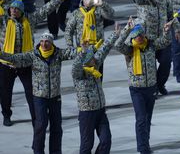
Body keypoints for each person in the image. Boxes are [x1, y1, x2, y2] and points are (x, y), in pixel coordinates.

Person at [0, 0, 72, 127]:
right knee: (5, 92)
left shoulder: (30, 20)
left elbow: (46, 9)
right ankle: (6, 115)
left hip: (26, 63)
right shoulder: (3, 21)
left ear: (21, 11)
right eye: (11, 9)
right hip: (7, 62)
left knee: (32, 94)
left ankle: (36, 120)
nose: (13, 11)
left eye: (16, 9)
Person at [0, 32, 77, 154]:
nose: (44, 44)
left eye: (47, 41)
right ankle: (38, 150)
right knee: (41, 125)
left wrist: (86, 49)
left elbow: (74, 53)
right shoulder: (33, 55)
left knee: (57, 127)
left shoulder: (58, 54)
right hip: (39, 97)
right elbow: (16, 58)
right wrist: (2, 54)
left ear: (51, 43)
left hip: (55, 97)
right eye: (42, 41)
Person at [115, 19, 169, 154]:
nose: (139, 38)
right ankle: (143, 148)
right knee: (141, 119)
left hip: (151, 87)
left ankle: (145, 143)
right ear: (133, 37)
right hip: (136, 89)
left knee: (147, 118)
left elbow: (164, 42)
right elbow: (117, 45)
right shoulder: (129, 49)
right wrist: (126, 29)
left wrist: (166, 31)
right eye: (136, 36)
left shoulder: (151, 45)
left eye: (141, 35)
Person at [71, 25, 120, 154]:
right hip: (87, 113)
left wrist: (115, 34)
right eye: (91, 58)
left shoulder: (95, 65)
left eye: (93, 58)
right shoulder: (79, 74)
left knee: (106, 140)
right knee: (87, 146)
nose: (95, 59)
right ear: (86, 61)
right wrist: (83, 51)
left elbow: (105, 48)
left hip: (100, 110)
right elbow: (75, 66)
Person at [131, 0, 180, 95]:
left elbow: (171, 15)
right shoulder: (142, 0)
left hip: (163, 38)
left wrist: (177, 29)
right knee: (150, 67)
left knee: (166, 63)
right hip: (147, 40)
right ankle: (153, 90)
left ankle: (160, 84)